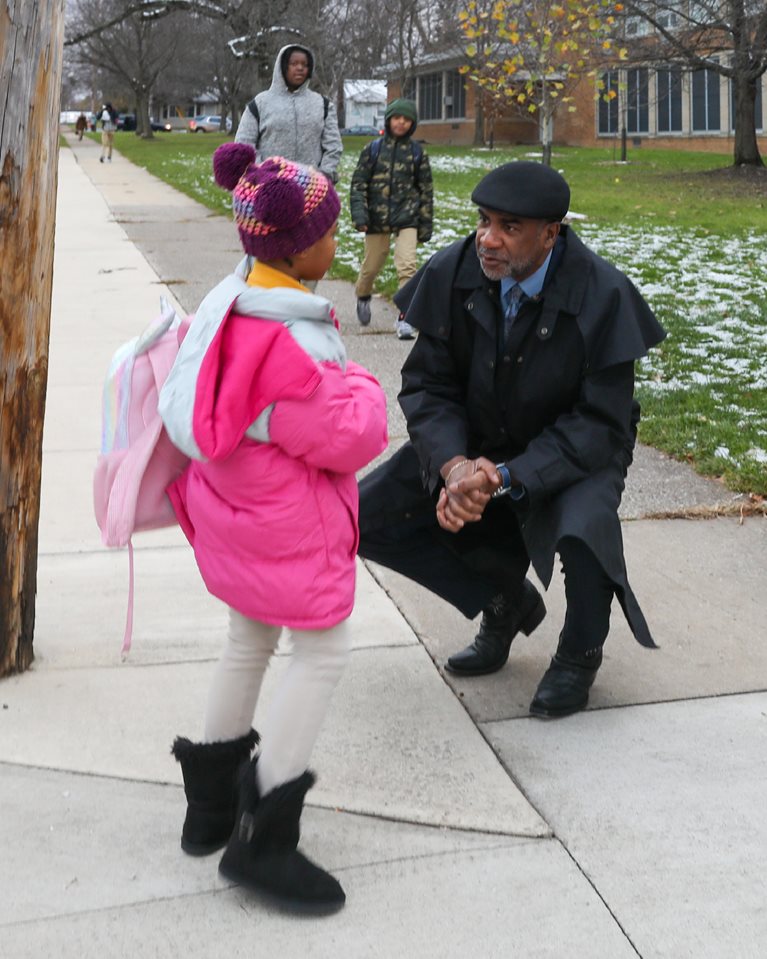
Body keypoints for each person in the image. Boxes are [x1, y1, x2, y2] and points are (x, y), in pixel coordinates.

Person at [158, 143, 388, 913]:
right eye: (330, 228)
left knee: (248, 639)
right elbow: (351, 435)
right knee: (321, 652)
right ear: (300, 247)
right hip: (286, 528)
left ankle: (210, 806)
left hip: (240, 520)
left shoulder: (230, 307)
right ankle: (264, 835)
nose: (341, 238)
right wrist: (357, 378)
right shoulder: (286, 343)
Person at [358, 161, 666, 719]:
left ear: (551, 233)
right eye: (483, 220)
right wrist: (453, 468)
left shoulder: (603, 293)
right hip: (477, 437)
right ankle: (504, 598)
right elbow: (430, 384)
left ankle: (578, 654)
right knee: (364, 515)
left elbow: (600, 422)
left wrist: (505, 476)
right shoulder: (456, 270)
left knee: (585, 530)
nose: (487, 238)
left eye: (509, 226)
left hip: (579, 445)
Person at [350, 98, 433, 340]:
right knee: (372, 265)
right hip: (376, 217)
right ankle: (363, 296)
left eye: (406, 120)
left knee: (407, 265)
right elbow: (358, 184)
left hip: (407, 216)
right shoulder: (373, 150)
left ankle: (407, 317)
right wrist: (360, 215)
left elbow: (426, 191)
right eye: (397, 118)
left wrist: (425, 224)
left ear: (412, 124)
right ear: (389, 120)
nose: (401, 123)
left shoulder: (417, 154)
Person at [235, 44, 342, 184]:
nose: (300, 68)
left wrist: (324, 175)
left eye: (305, 64)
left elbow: (333, 146)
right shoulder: (260, 103)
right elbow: (244, 144)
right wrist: (262, 173)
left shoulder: (323, 105)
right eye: (294, 63)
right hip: (268, 189)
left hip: (312, 189)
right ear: (283, 66)